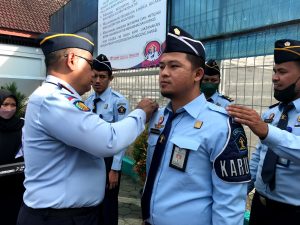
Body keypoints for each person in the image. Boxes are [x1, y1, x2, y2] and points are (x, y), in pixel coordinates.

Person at [17, 32, 158, 225]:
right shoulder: (54, 100)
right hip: (58, 218)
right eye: (91, 65)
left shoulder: (58, 97)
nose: (93, 75)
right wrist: (141, 113)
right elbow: (109, 140)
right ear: (72, 60)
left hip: (66, 215)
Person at [141, 26, 250, 225]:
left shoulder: (221, 125)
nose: (164, 73)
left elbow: (229, 204)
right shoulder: (159, 117)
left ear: (198, 74)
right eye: (161, 66)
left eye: (174, 66)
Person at [226, 39, 300, 225]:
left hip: (293, 214)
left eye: (282, 72)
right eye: (275, 71)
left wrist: (266, 131)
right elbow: (260, 156)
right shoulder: (272, 113)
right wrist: (241, 192)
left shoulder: (266, 123)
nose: (275, 77)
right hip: (260, 206)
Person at [85, 54, 128, 225]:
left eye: (102, 77)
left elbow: (122, 137)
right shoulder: (87, 101)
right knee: (91, 202)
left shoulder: (119, 102)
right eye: (94, 76)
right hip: (89, 159)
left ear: (111, 78)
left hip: (109, 161)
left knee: (108, 205)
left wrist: (115, 169)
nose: (97, 81)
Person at [0, 89, 25, 225]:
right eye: (5, 104)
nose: (9, 108)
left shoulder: (23, 126)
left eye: (13, 105)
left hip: (17, 186)